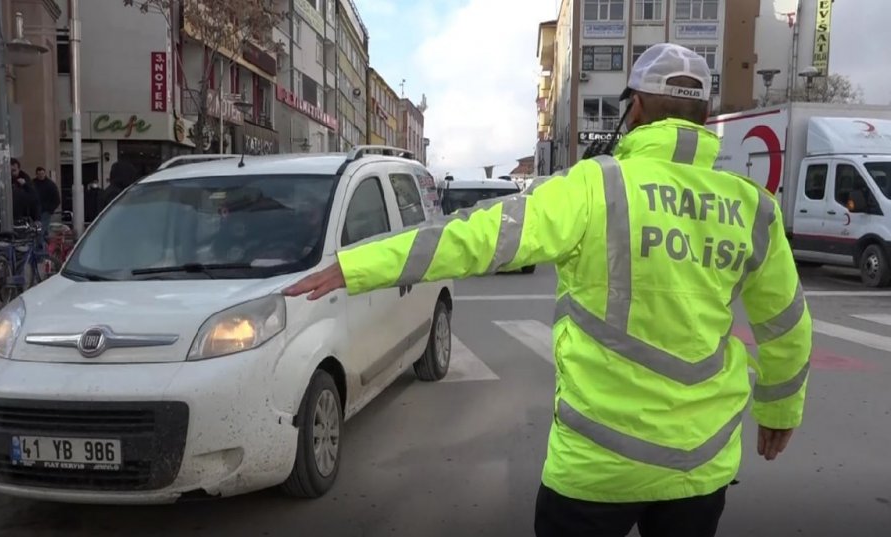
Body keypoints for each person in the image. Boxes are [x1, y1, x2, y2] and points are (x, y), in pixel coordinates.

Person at [283, 43, 812, 537]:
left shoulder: (596, 185)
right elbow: (786, 326)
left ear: (640, 109)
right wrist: (780, 413)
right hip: (701, 467)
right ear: (703, 115)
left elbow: (478, 237)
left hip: (597, 468)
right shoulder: (751, 206)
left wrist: (357, 265)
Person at [0, 158, 41, 226]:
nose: (10, 174)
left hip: (20, 220)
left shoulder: (26, 183)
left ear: (19, 170)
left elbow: (35, 201)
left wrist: (36, 219)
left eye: (13, 170)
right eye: (7, 170)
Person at [33, 166, 61, 241]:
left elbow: (57, 199)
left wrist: (50, 209)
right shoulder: (33, 183)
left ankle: (41, 248)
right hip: (36, 211)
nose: (41, 175)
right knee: (43, 230)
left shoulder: (50, 185)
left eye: (42, 173)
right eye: (39, 174)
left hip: (45, 211)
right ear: (36, 174)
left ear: (45, 173)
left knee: (40, 231)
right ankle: (46, 246)